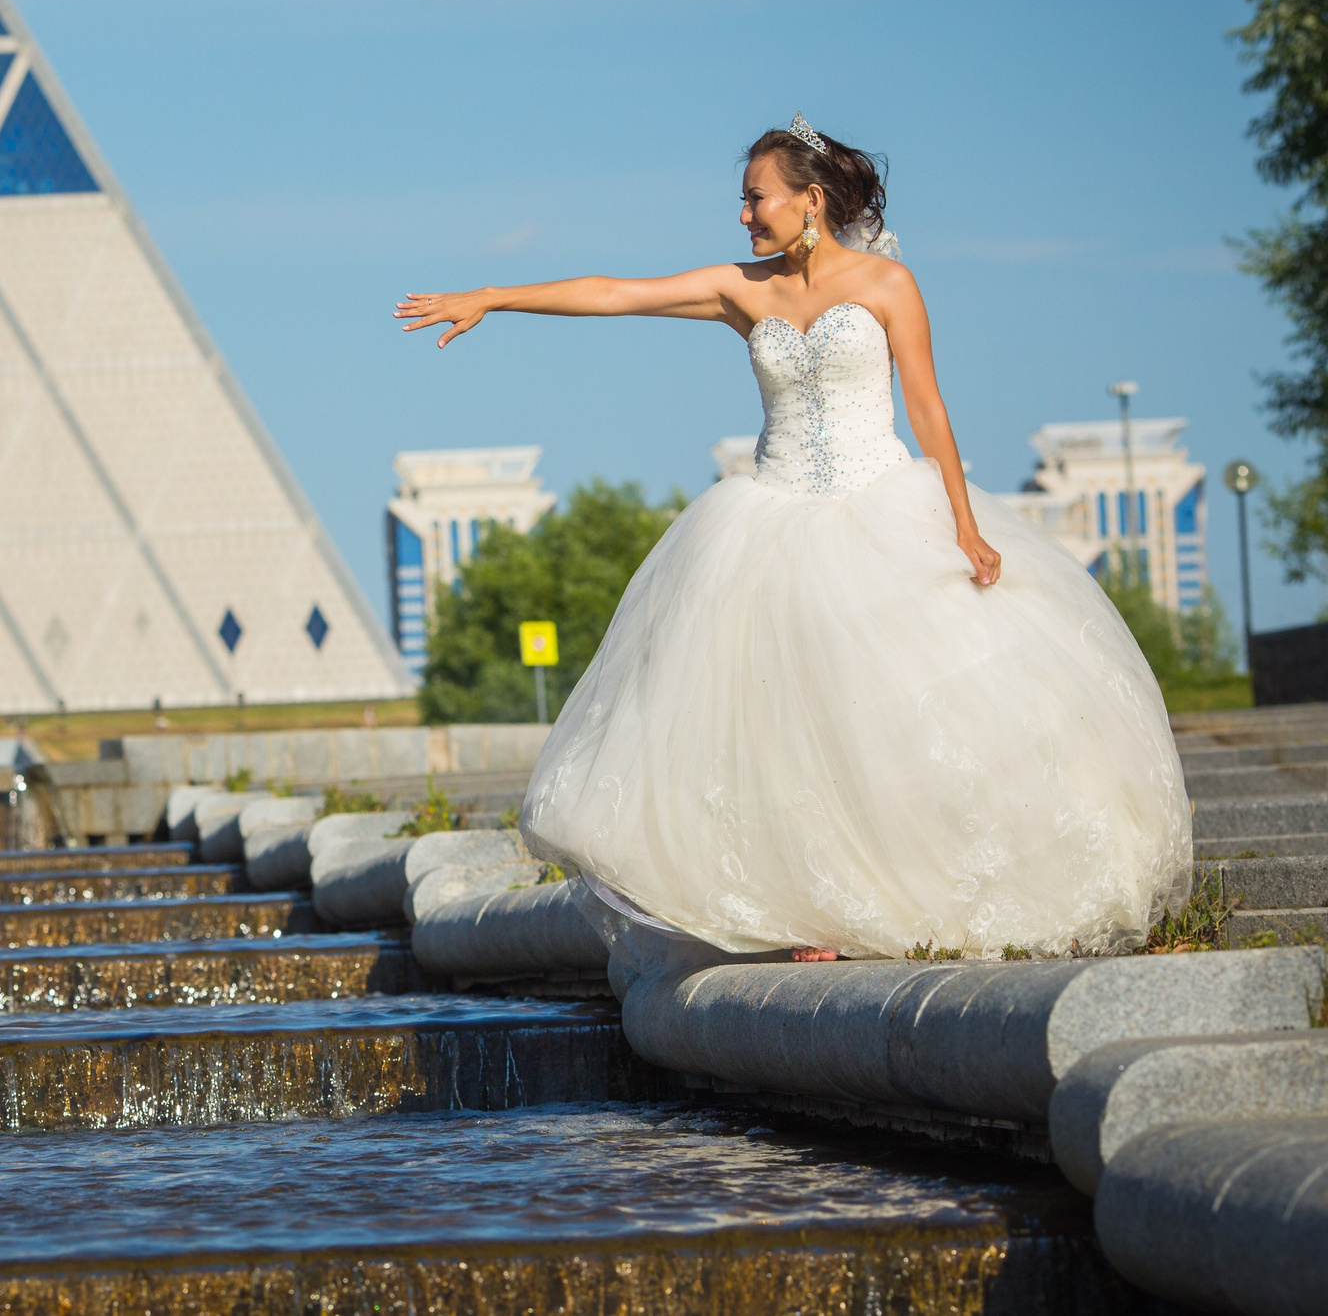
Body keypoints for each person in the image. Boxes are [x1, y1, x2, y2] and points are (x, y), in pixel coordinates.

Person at [394, 115, 1191, 961]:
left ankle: (909, 893)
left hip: (882, 512)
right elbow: (616, 293)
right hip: (768, 523)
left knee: (891, 720)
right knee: (785, 730)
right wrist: (494, 297)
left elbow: (928, 408)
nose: (744, 215)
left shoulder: (888, 284)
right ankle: (812, 911)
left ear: (810, 199)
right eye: (742, 200)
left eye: (756, 198)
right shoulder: (742, 290)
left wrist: (965, 525)